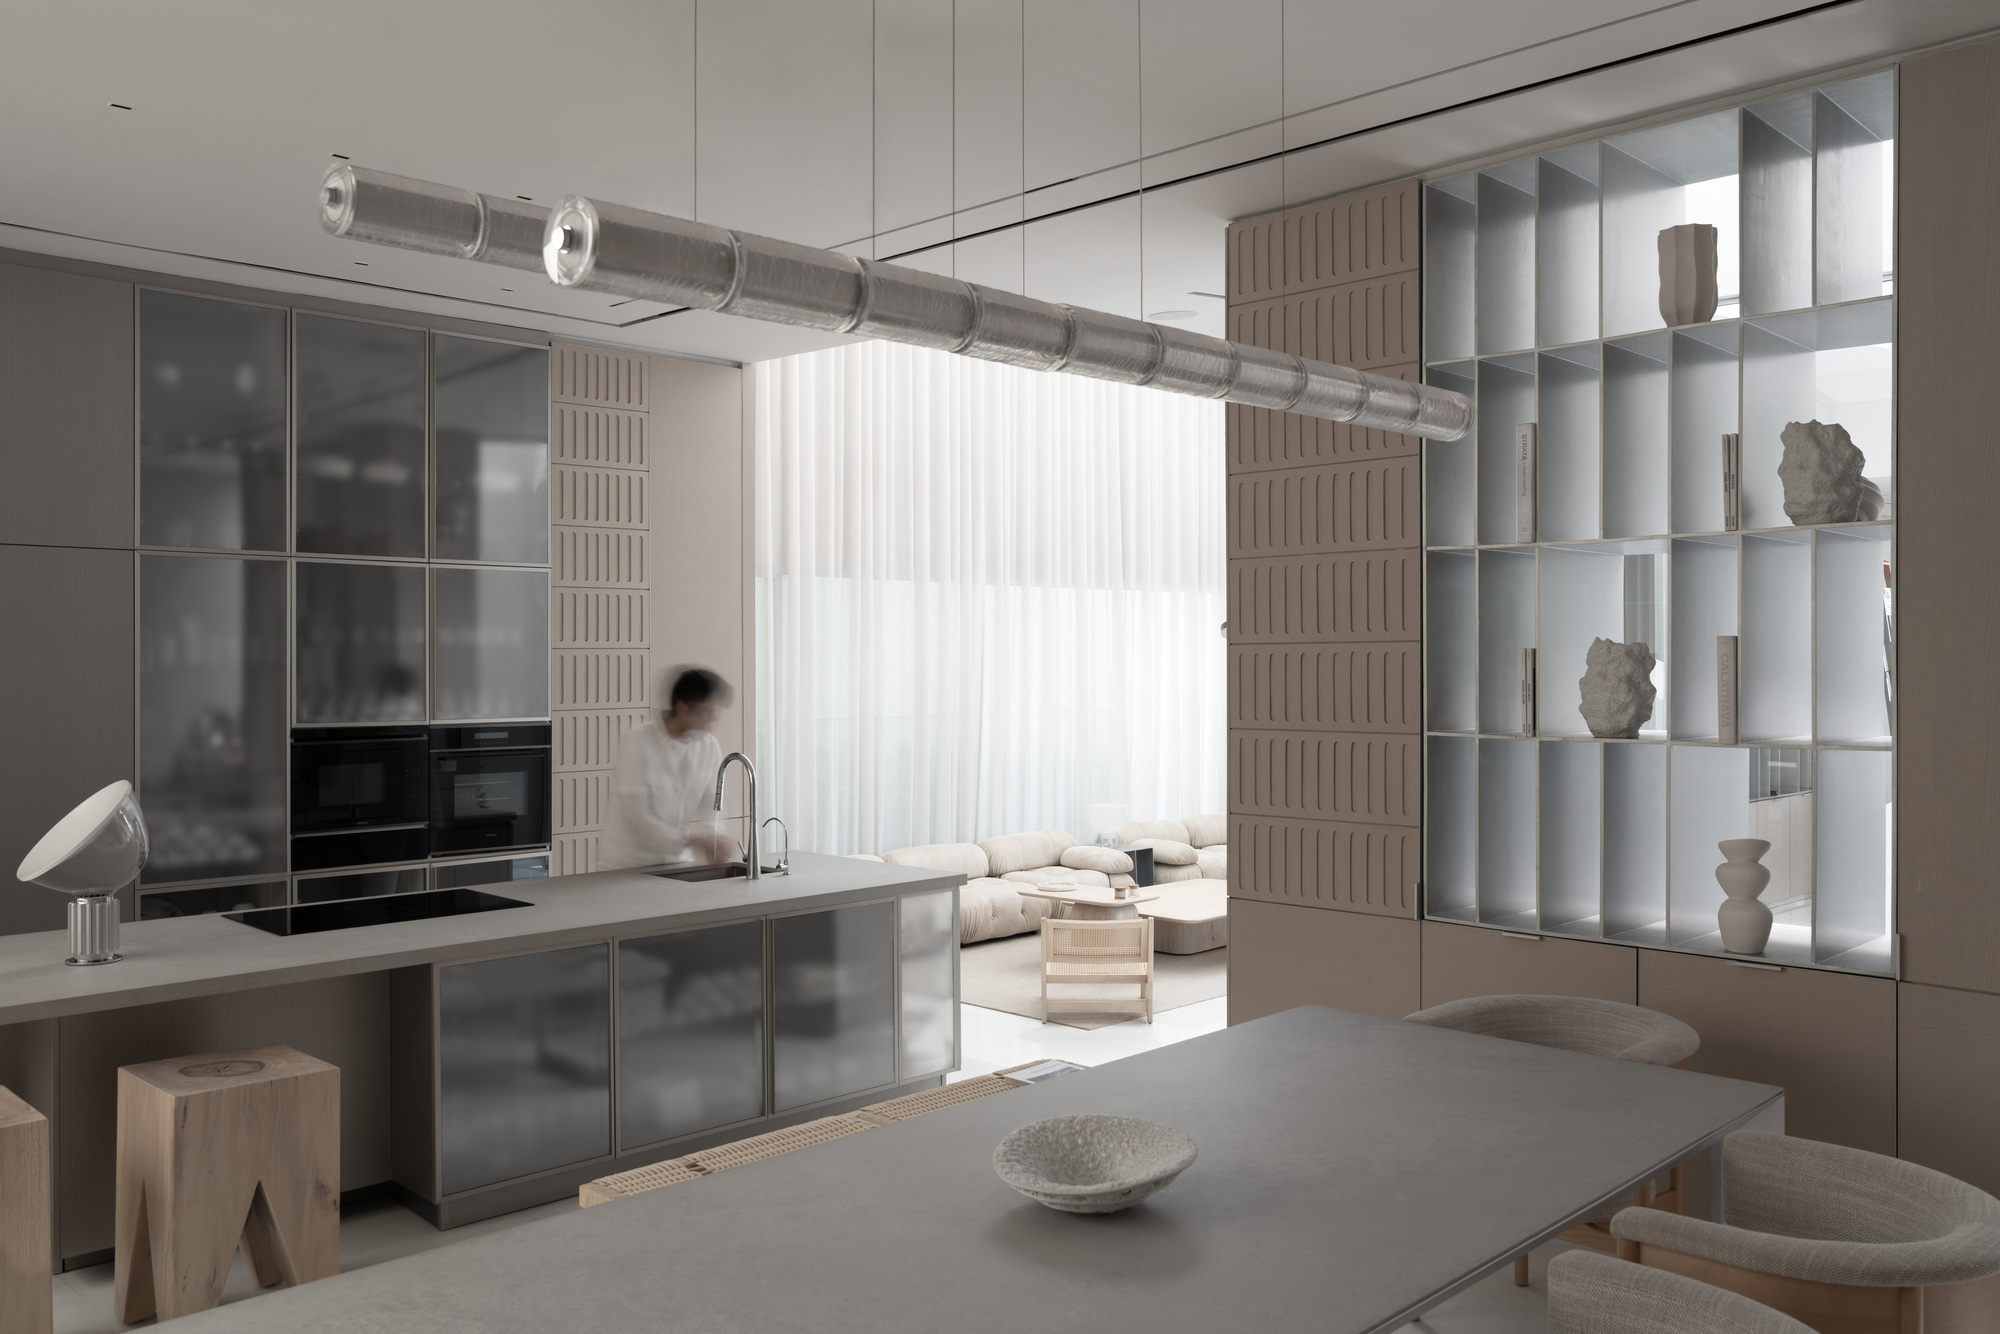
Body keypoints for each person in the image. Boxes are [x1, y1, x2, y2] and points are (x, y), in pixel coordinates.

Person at [601, 667, 737, 870]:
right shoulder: (638, 742)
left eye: (715, 718)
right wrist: (695, 841)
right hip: (627, 866)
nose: (710, 727)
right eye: (706, 716)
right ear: (682, 708)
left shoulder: (708, 745)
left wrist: (714, 839)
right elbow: (637, 815)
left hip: (676, 863)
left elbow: (711, 804)